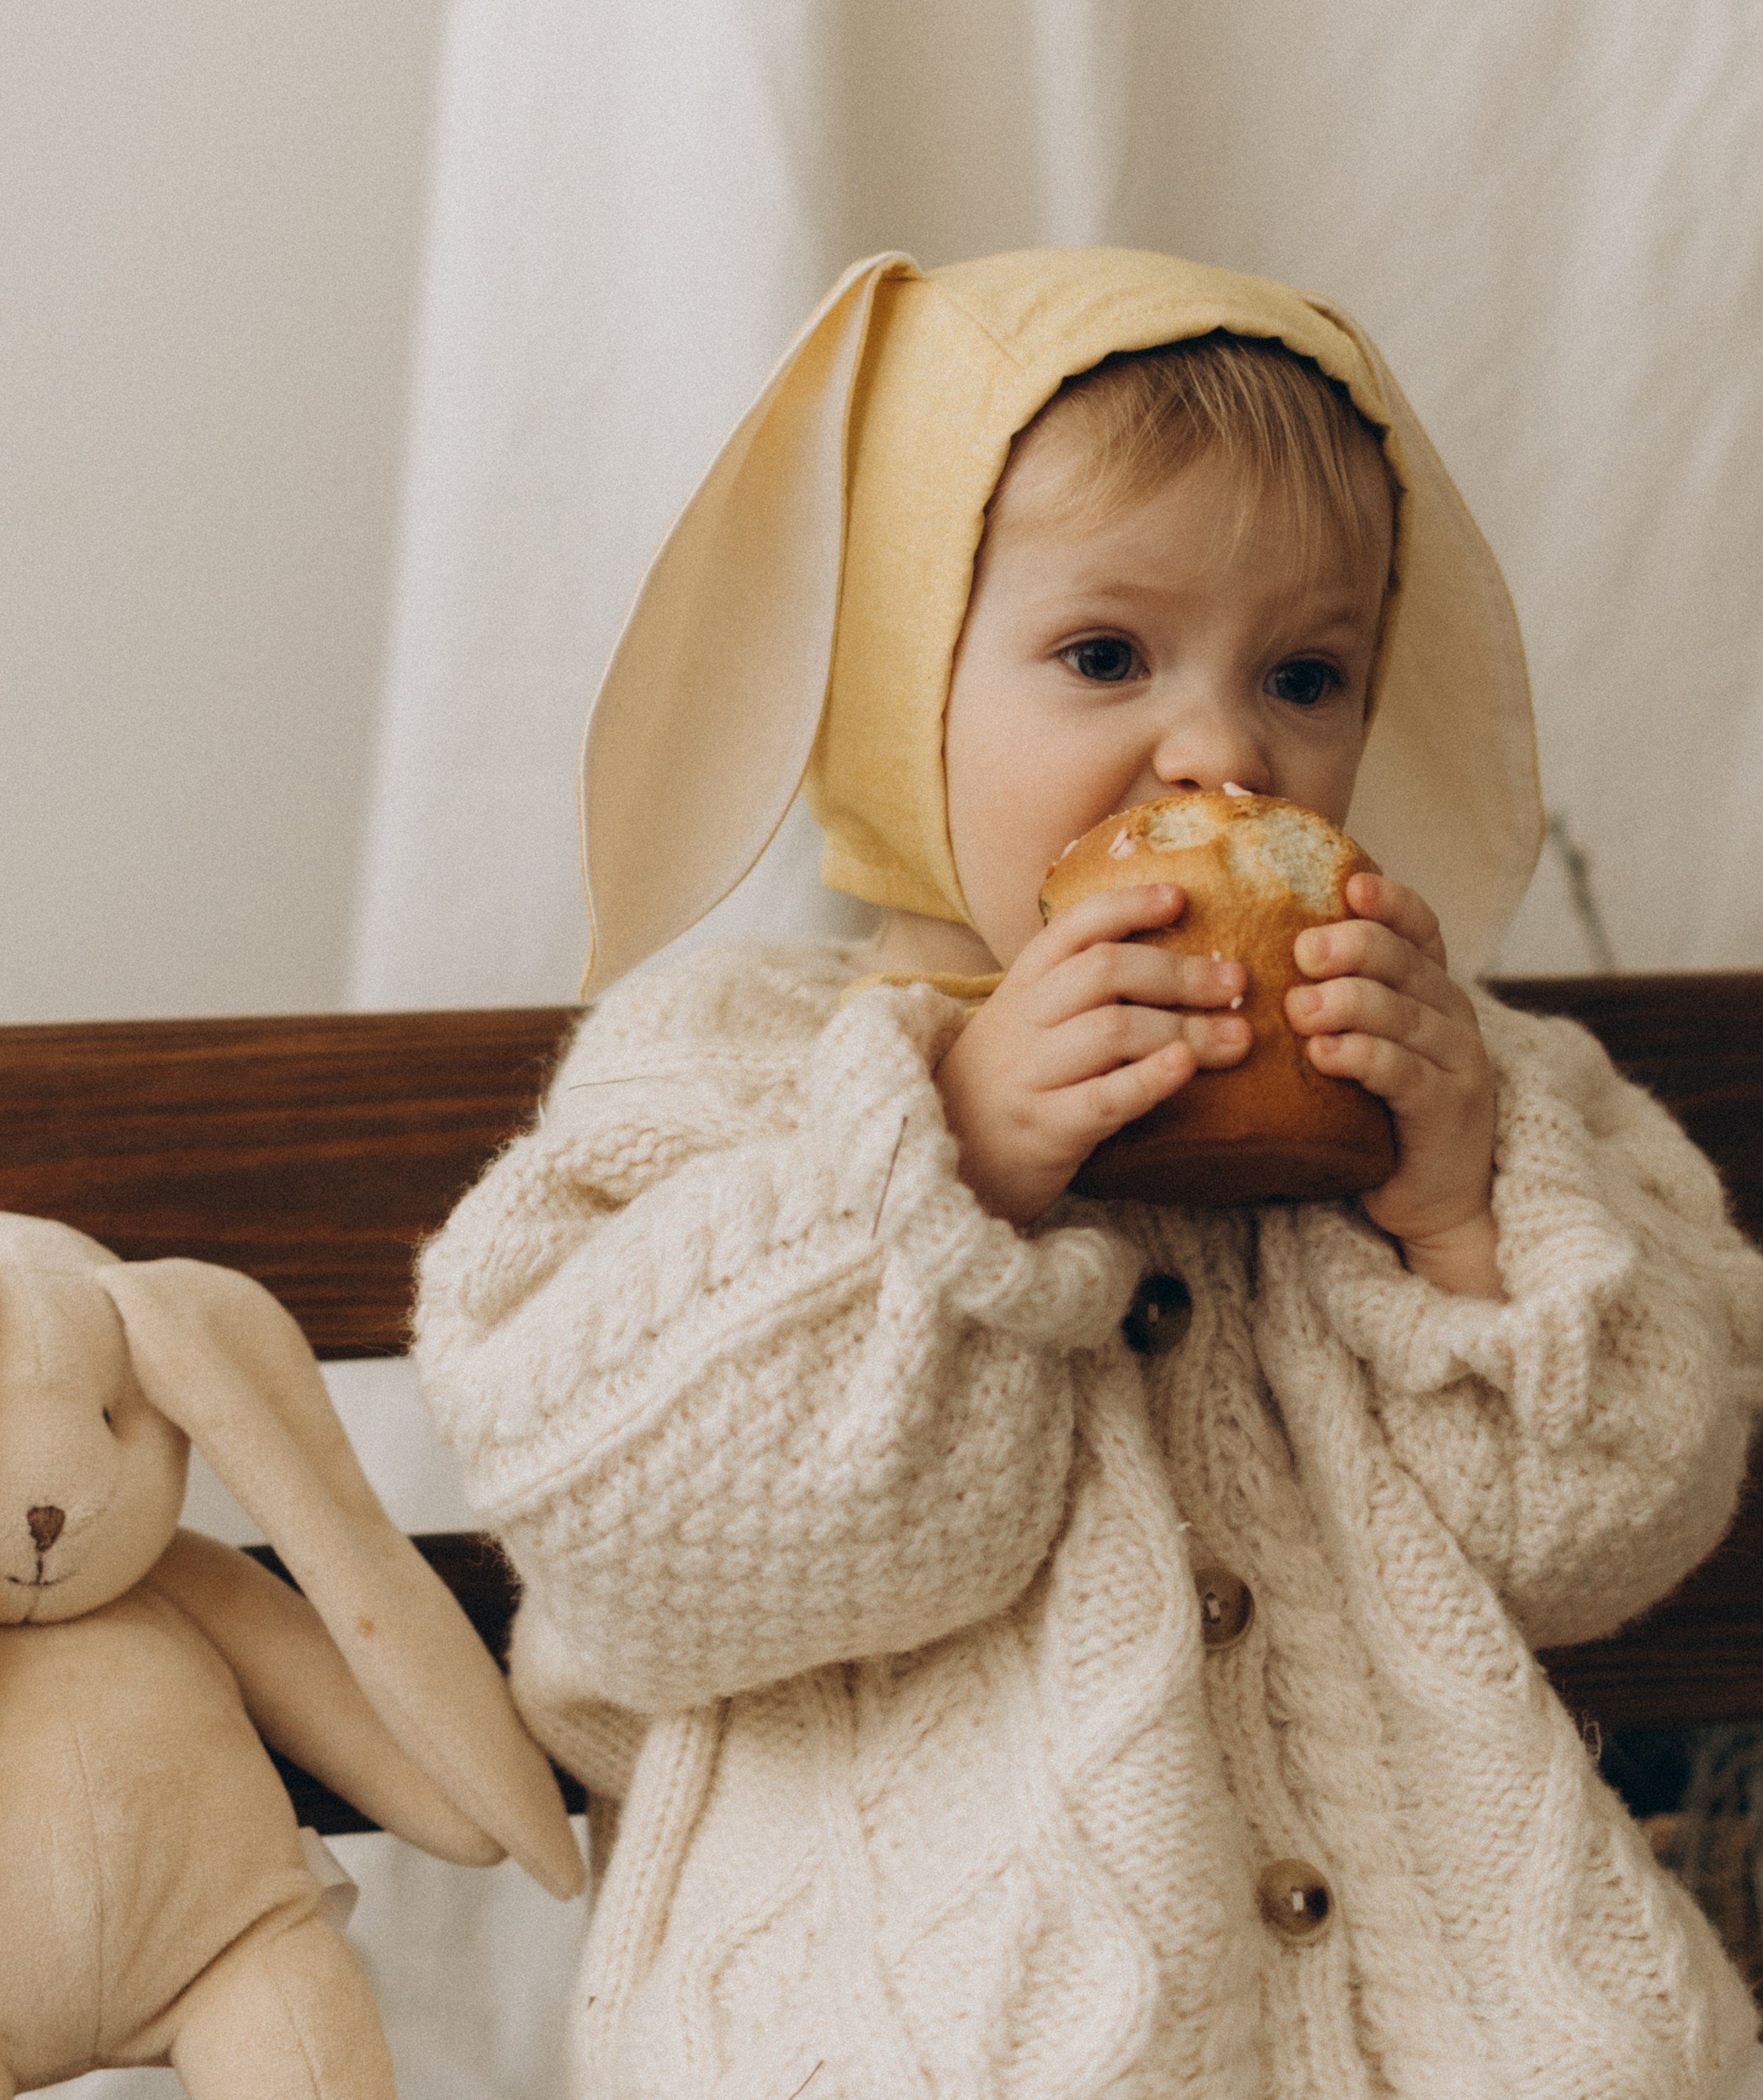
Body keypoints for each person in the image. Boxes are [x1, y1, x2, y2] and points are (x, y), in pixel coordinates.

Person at [414, 247, 1763, 2099]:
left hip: (1455, 2014)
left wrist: (1460, 1211)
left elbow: (1602, 1542)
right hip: (922, 2025)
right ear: (901, 685)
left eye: (1306, 674)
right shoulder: (734, 1078)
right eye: (1105, 656)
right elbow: (626, 1540)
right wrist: (950, 1164)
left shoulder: (1464, 1085)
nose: (1221, 749)